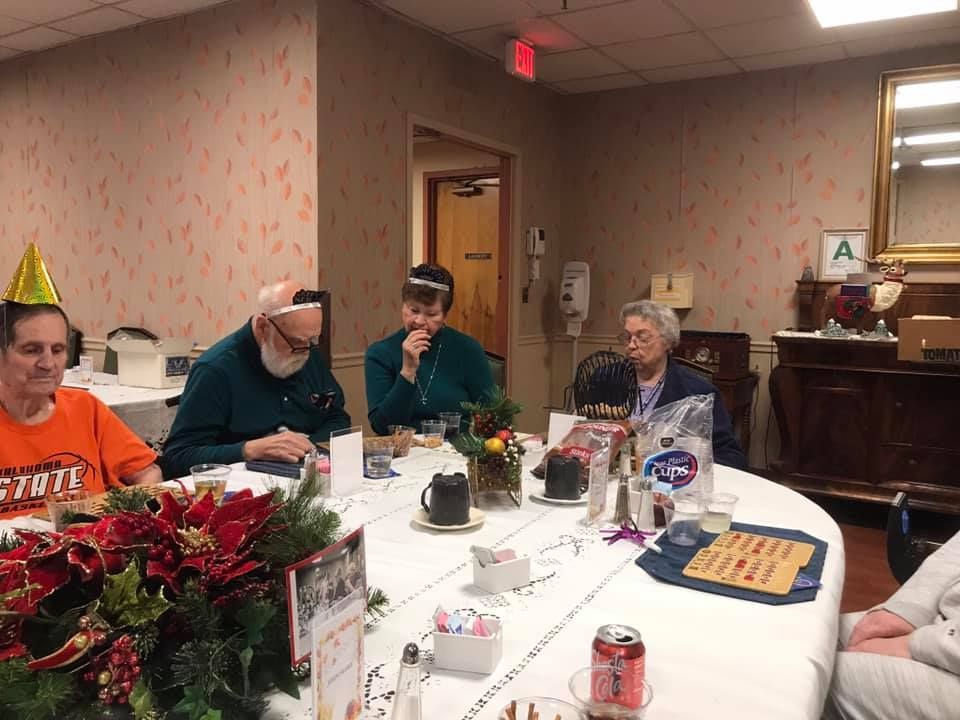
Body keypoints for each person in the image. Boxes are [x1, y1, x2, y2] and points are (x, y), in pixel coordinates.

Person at [0, 244, 160, 519]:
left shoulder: (85, 408)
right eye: (32, 350)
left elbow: (147, 472)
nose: (48, 363)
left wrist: (128, 520)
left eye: (58, 349)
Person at [161, 280, 350, 478]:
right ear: (263, 326)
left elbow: (337, 418)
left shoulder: (306, 353)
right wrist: (249, 450)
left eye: (312, 341)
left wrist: (307, 444)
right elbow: (177, 458)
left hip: (308, 478)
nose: (304, 353)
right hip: (238, 492)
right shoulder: (216, 370)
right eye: (296, 342)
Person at [823, 530, 960, 720]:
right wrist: (910, 608)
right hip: (946, 622)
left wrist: (914, 644)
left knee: (803, 680)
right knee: (811, 634)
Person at [364, 264, 494, 436]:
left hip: (456, 453)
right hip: (403, 455)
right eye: (413, 310)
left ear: (445, 316)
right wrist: (408, 371)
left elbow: (492, 414)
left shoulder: (468, 350)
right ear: (403, 306)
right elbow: (382, 426)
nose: (419, 321)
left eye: (431, 314)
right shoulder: (380, 353)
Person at [618, 300, 747, 470]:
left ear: (668, 341)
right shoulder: (607, 379)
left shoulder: (697, 392)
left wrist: (687, 465)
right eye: (627, 337)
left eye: (642, 338)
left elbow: (730, 456)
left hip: (672, 482)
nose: (631, 345)